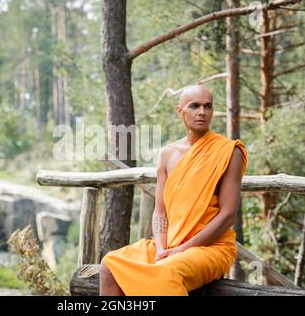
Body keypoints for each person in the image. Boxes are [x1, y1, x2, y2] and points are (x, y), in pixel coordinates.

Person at [99, 84, 247, 296]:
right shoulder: (168, 154)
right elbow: (160, 212)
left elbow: (227, 215)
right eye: (194, 106)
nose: (202, 112)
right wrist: (161, 248)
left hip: (212, 248)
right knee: (110, 264)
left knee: (166, 271)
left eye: (208, 106)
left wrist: (180, 250)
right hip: (170, 243)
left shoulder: (228, 151)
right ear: (180, 111)